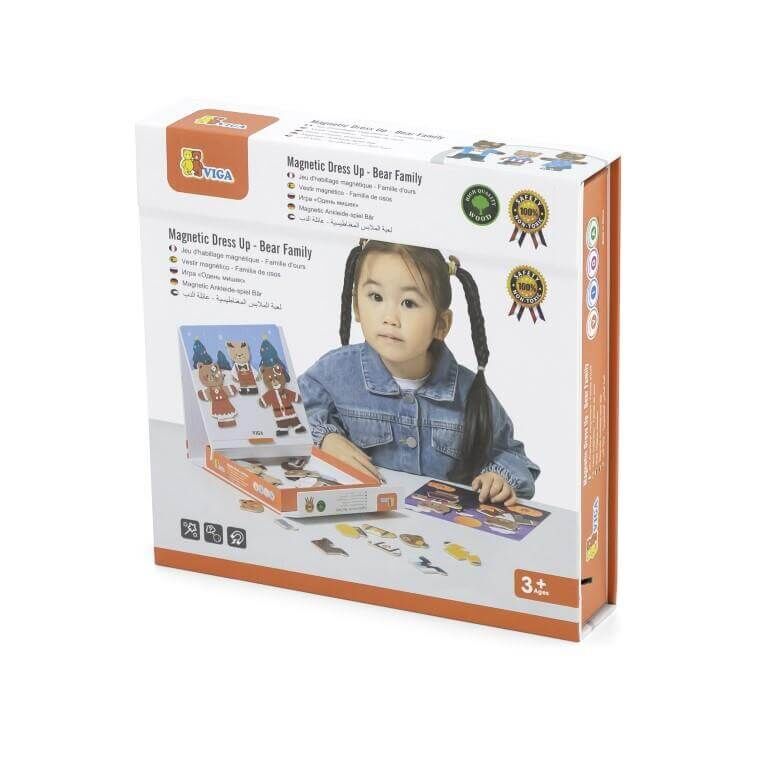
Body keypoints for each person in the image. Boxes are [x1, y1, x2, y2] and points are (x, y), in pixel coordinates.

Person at [298, 240, 540, 503]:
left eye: (409, 303)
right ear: (356, 306)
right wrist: (325, 438)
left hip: (443, 523)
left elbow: (513, 457)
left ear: (441, 324)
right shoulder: (335, 372)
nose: (390, 317)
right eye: (376, 297)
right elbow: (288, 411)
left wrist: (498, 478)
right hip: (360, 516)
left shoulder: (469, 393)